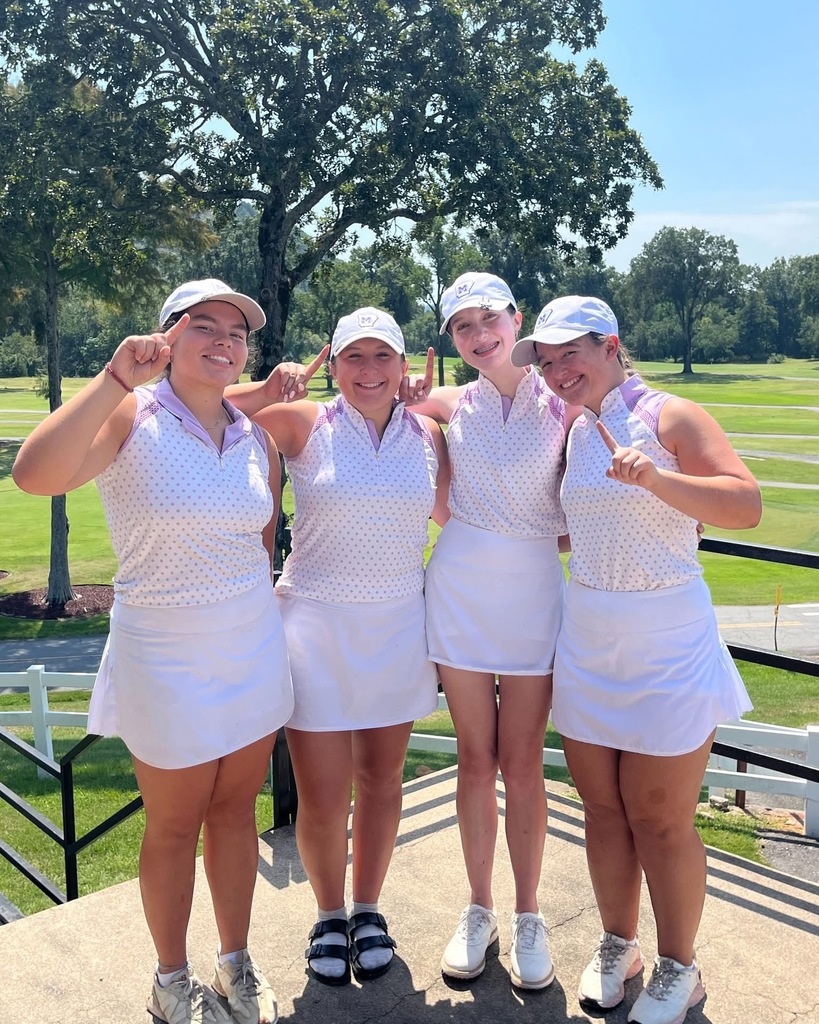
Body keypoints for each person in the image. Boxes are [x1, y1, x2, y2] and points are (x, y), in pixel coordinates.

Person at [12, 278, 319, 1024]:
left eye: (236, 332)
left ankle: (235, 962)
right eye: (201, 325)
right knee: (175, 825)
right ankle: (170, 977)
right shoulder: (128, 414)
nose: (222, 340)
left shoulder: (253, 437)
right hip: (164, 652)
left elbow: (258, 540)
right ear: (165, 337)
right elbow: (33, 474)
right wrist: (116, 375)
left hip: (247, 645)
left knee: (235, 814)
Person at [510, 295, 762, 1024]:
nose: (557, 371)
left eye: (570, 355)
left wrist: (656, 478)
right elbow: (575, 526)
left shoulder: (668, 416)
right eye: (547, 361)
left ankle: (681, 966)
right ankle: (619, 944)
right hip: (589, 638)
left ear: (610, 345)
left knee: (658, 818)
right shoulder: (571, 429)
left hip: (667, 641)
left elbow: (742, 504)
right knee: (601, 811)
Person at [229, 307, 450, 986]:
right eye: (353, 357)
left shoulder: (431, 433)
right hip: (316, 626)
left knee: (382, 782)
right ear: (334, 361)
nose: (368, 371)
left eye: (382, 357)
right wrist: (268, 388)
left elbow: (479, 500)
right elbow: (195, 407)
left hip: (396, 625)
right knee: (323, 797)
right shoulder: (306, 423)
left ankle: (367, 908)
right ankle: (327, 914)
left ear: (403, 365)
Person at [400, 272, 570, 990]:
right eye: (461, 326)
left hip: (534, 590)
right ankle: (479, 909)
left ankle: (529, 914)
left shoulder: (564, 399)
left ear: (515, 317)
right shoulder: (448, 402)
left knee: (523, 762)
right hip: (462, 588)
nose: (477, 335)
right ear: (450, 337)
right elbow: (409, 434)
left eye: (487, 319)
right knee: (474, 759)